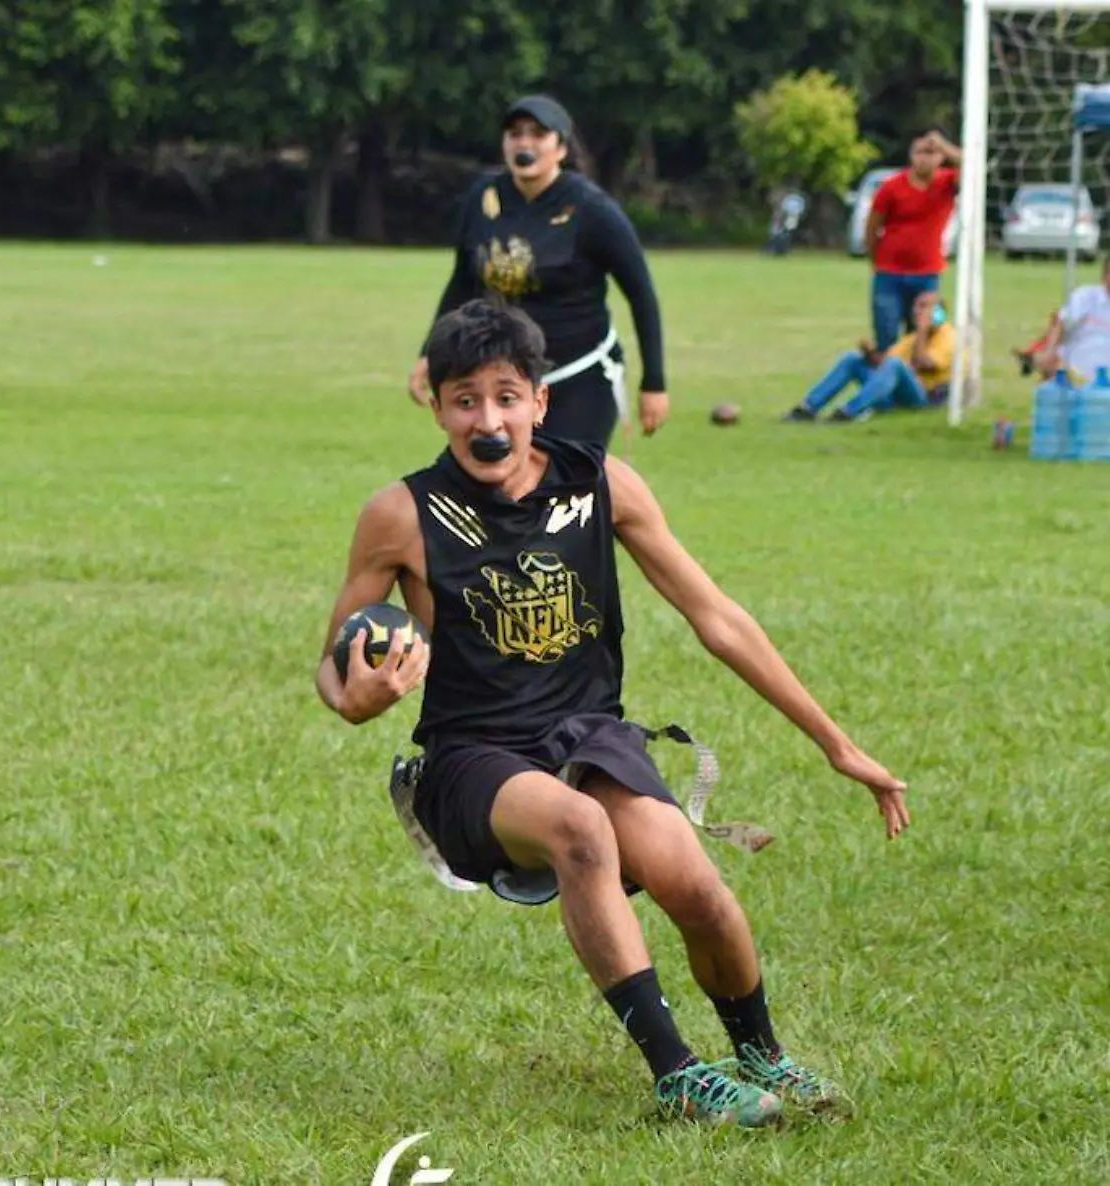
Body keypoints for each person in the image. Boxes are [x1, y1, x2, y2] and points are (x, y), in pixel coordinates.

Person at [323, 299, 909, 1127]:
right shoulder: (401, 515)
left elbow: (718, 618)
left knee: (695, 887)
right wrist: (358, 696)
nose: (486, 420)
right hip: (473, 758)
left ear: (540, 401)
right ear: (437, 404)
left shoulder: (601, 483)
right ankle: (678, 1075)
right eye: (464, 400)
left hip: (590, 739)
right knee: (580, 833)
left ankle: (764, 1055)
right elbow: (334, 659)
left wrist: (837, 745)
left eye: (505, 396)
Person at [408, 95, 669, 447]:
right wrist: (429, 352)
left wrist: (654, 383)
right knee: (504, 491)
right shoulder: (482, 198)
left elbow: (641, 294)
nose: (524, 143)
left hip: (579, 375)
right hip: (507, 381)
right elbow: (462, 282)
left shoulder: (591, 210)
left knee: (564, 489)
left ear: (560, 148)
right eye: (515, 134)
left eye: (538, 134)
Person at [784, 290, 954, 422]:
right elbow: (885, 365)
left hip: (923, 397)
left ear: (939, 313)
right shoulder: (912, 338)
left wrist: (922, 330)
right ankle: (808, 408)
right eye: (916, 306)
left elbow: (925, 363)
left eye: (924, 306)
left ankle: (849, 411)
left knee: (895, 365)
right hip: (894, 393)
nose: (917, 311)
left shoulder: (948, 337)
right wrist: (870, 354)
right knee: (852, 359)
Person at [866, 129, 961, 352]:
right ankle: (886, 381)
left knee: (922, 335)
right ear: (911, 154)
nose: (925, 158)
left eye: (931, 152)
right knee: (886, 334)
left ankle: (916, 383)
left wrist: (944, 145)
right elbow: (872, 227)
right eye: (920, 152)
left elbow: (973, 167)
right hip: (889, 274)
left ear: (940, 157)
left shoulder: (947, 183)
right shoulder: (891, 187)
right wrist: (876, 261)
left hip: (927, 274)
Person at [1027, 253, 1110, 384]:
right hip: (1078, 380)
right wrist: (1050, 351)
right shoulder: (1086, 297)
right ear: (1105, 275)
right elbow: (1061, 323)